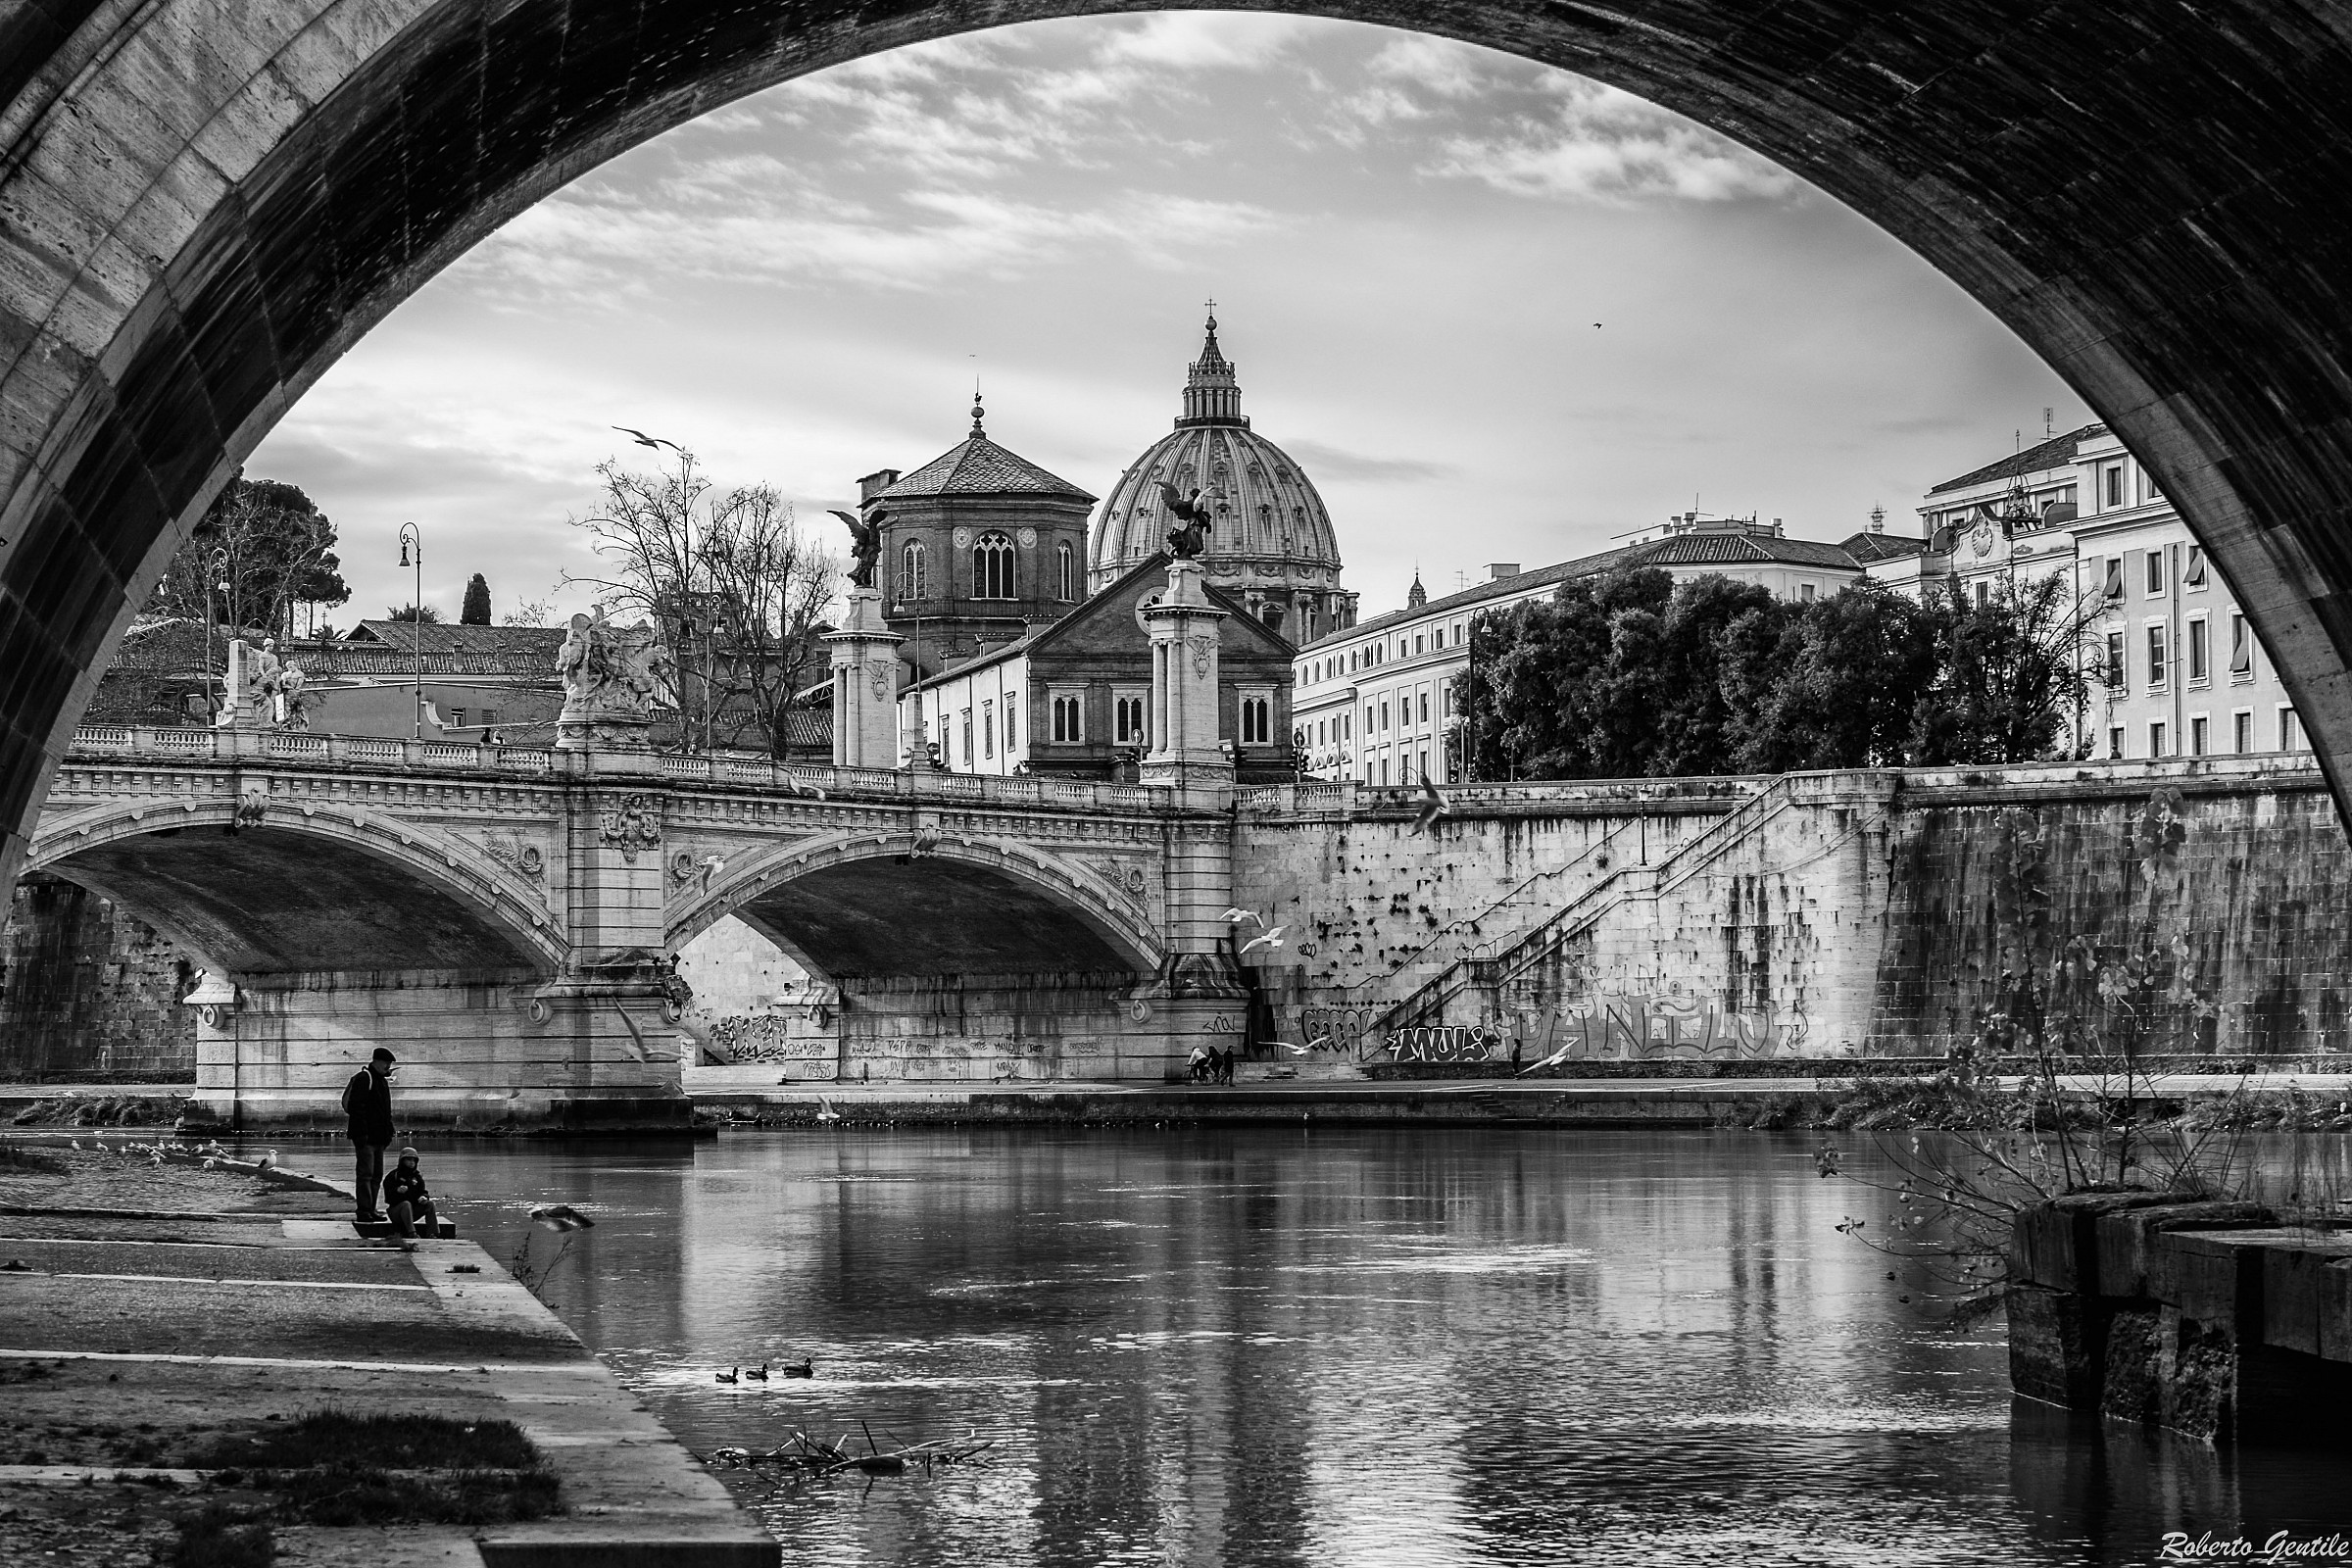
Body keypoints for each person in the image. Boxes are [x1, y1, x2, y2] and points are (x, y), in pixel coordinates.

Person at [340, 1048, 397, 1222]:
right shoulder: (365, 1078)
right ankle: (364, 1210)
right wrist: (362, 1134)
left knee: (376, 1175)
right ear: (376, 1061)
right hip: (366, 1138)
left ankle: (371, 1209)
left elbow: (385, 1111)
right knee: (366, 1175)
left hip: (379, 1138)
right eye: (386, 1063)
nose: (388, 1067)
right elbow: (357, 1109)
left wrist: (388, 1133)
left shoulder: (381, 1081)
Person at [382, 1148, 438, 1240]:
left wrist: (423, 1197)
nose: (412, 1162)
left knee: (430, 1204)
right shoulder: (393, 1176)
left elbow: (423, 1192)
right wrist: (397, 1191)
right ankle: (412, 1233)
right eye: (409, 1160)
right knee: (406, 1204)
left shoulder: (417, 1177)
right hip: (396, 1212)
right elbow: (388, 1198)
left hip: (412, 1211)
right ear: (402, 1161)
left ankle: (433, 1233)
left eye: (414, 1160)